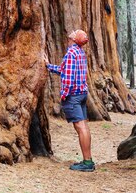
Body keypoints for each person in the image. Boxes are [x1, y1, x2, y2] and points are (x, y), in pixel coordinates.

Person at [46, 29, 94, 172]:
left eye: (73, 33)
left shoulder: (71, 53)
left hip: (73, 95)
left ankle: (87, 162)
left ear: (74, 39)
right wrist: (48, 66)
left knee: (80, 127)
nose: (70, 34)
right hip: (82, 94)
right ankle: (88, 159)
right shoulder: (80, 53)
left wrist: (64, 95)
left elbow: (68, 78)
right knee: (83, 126)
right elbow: (63, 70)